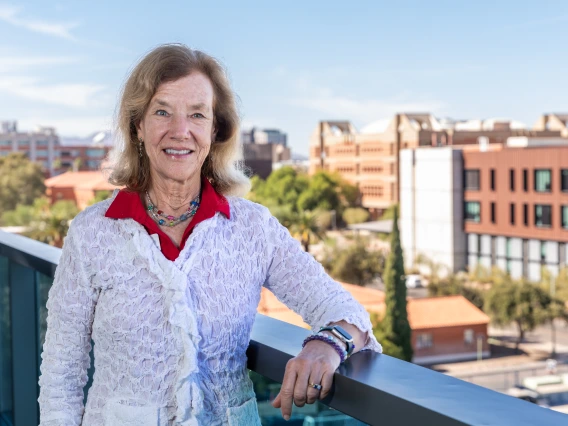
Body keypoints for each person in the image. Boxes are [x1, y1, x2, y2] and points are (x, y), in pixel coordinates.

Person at [38, 44, 381, 426]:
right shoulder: (92, 232)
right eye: (162, 111)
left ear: (215, 130)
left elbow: (346, 312)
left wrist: (327, 345)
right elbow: (61, 376)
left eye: (197, 114)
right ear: (138, 125)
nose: (180, 131)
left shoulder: (253, 229)